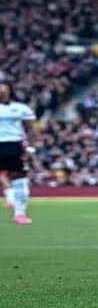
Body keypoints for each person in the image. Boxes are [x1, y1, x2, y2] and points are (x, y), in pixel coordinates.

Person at [0, 83, 36, 224]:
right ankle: (10, 196)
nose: (1, 91)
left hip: (15, 145)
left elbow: (31, 128)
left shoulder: (21, 108)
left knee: (20, 180)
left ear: (9, 91)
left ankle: (19, 214)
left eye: (4, 89)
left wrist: (30, 148)